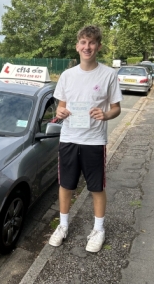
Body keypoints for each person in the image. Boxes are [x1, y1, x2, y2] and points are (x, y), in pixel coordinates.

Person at [48, 25, 122, 252]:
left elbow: (116, 108)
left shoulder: (109, 74)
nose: (87, 47)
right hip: (69, 138)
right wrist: (59, 114)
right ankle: (63, 225)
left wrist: (106, 114)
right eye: (83, 42)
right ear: (77, 45)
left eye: (91, 43)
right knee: (66, 185)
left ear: (98, 46)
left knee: (96, 187)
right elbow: (60, 108)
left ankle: (98, 229)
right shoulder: (67, 75)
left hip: (94, 141)